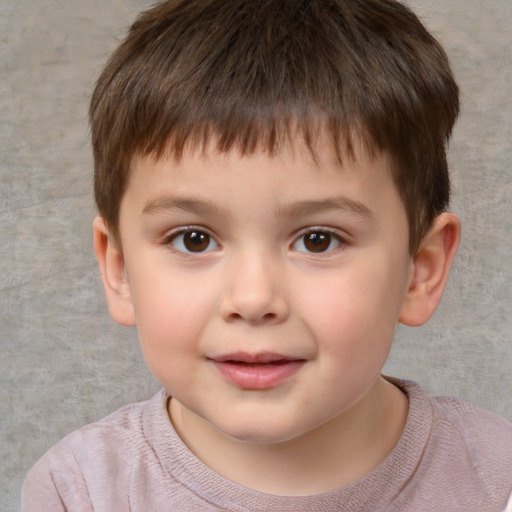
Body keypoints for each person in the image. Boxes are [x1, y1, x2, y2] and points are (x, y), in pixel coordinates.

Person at [22, 0, 512, 510]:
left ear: (420, 271)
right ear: (119, 269)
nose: (253, 299)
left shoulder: (497, 481)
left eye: (318, 240)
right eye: (194, 239)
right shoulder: (78, 492)